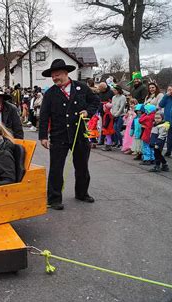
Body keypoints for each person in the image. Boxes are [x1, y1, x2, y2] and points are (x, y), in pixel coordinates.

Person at [38, 59, 99, 210]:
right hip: (59, 136)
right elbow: (44, 116)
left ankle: (82, 193)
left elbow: (95, 101)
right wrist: (43, 136)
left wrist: (88, 112)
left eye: (57, 75)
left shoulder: (81, 87)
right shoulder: (50, 94)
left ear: (66, 73)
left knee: (82, 166)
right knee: (56, 168)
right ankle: (54, 199)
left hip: (79, 134)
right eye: (53, 76)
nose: (55, 78)